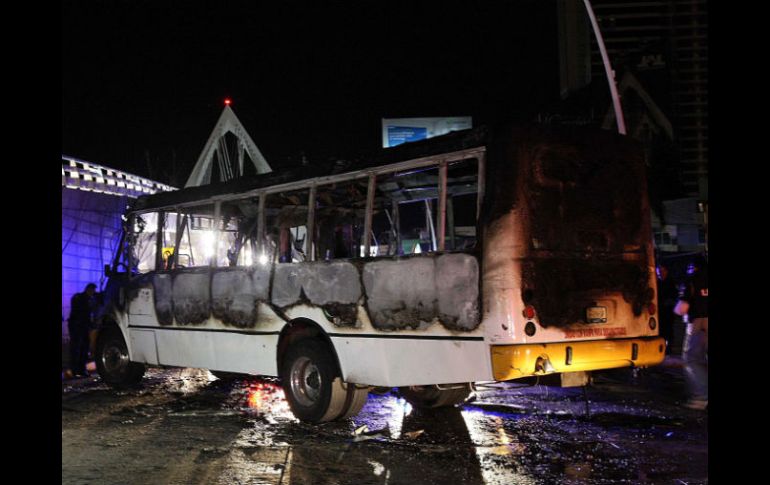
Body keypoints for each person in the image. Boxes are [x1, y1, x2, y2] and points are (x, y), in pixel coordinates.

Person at [679, 255, 708, 410]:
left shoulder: (691, 279)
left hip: (698, 322)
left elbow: (682, 307)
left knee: (692, 360)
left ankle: (701, 398)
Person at [68, 283, 99, 377]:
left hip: (82, 326)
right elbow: (82, 313)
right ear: (89, 289)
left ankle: (80, 370)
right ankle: (76, 370)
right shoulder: (80, 298)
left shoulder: (84, 298)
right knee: (77, 349)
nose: (93, 293)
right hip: (77, 326)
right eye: (92, 291)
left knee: (83, 349)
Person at [656, 264, 679, 353]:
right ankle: (662, 348)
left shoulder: (671, 283)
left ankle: (668, 348)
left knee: (668, 330)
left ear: (666, 271)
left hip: (668, 311)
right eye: (659, 272)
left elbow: (675, 296)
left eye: (662, 271)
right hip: (660, 311)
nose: (661, 273)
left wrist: (670, 302)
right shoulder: (657, 283)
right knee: (661, 331)